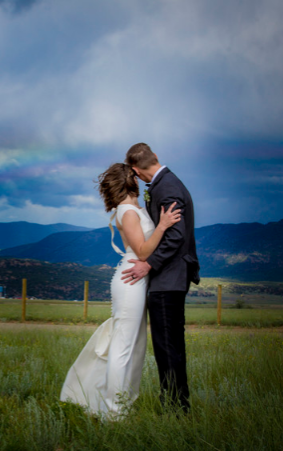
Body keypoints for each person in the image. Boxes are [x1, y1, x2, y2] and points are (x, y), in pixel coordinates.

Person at [60, 162, 181, 417]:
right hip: (131, 281)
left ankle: (119, 404)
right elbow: (143, 251)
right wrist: (163, 225)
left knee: (133, 346)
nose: (138, 178)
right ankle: (113, 414)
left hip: (136, 280)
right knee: (123, 347)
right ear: (131, 180)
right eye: (135, 176)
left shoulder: (133, 209)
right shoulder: (127, 211)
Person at [122, 143, 200, 413]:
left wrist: (148, 265)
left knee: (168, 348)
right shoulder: (168, 182)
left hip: (169, 278)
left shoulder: (166, 187)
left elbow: (175, 236)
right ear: (155, 156)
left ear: (135, 169)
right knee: (171, 347)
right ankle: (177, 406)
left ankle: (176, 409)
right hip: (171, 277)